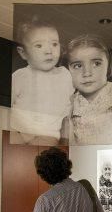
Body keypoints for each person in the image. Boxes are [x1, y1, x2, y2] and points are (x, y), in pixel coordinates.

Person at [10, 17, 74, 145]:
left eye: (54, 44)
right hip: (20, 130)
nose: (49, 51)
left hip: (48, 133)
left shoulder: (64, 75)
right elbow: (9, 105)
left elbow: (71, 103)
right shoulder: (20, 76)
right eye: (39, 45)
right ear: (23, 53)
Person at [64, 34, 112, 145]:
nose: (87, 73)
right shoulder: (71, 101)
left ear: (109, 66)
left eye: (96, 63)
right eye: (77, 66)